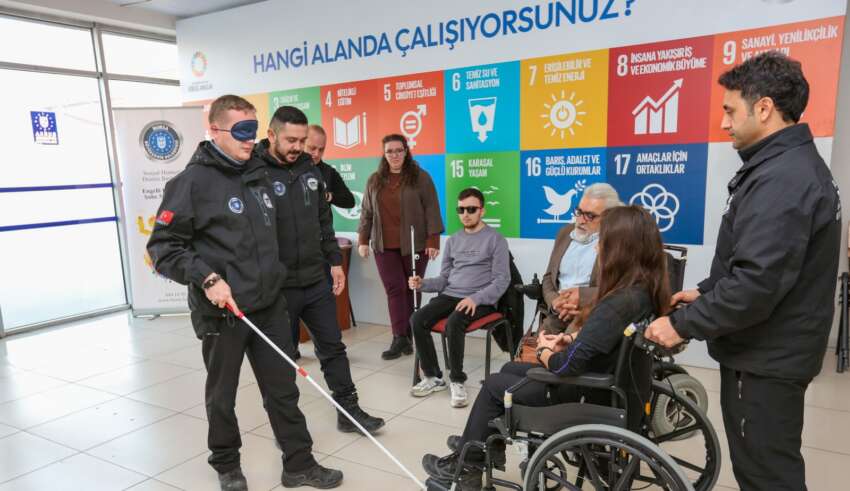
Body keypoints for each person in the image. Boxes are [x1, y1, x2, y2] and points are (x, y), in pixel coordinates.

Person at [645, 52, 841, 491]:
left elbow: (756, 285)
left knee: (766, 475)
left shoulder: (783, 179)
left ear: (764, 108)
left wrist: (681, 325)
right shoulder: (786, 167)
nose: (724, 122)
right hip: (772, 350)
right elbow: (763, 262)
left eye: (731, 110)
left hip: (766, 358)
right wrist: (707, 292)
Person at [146, 95, 342, 490]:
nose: (249, 139)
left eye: (253, 130)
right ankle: (227, 465)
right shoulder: (191, 184)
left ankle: (299, 464)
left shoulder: (259, 172)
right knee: (223, 395)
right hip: (224, 312)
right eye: (241, 131)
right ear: (215, 131)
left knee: (283, 391)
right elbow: (162, 248)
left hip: (268, 305)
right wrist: (207, 278)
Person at [422, 206, 671, 489]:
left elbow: (566, 365)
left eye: (603, 241)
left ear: (620, 250)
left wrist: (544, 351)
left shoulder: (617, 302)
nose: (597, 247)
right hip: (610, 384)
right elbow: (603, 340)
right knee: (509, 367)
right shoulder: (643, 292)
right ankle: (484, 443)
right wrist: (570, 340)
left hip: (582, 390)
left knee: (493, 386)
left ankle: (469, 468)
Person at [256, 106, 385, 434]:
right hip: (277, 286)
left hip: (314, 279)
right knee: (281, 360)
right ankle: (287, 430)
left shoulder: (311, 171)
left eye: (303, 141)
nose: (298, 148)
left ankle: (349, 412)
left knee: (333, 348)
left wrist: (334, 262)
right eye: (291, 140)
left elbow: (323, 222)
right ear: (271, 135)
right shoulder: (253, 171)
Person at [408, 188, 511, 408]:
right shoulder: (453, 240)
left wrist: (476, 298)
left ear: (482, 211)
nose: (466, 214)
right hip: (451, 294)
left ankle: (457, 380)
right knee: (417, 319)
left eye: (471, 209)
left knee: (454, 322)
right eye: (461, 210)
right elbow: (444, 279)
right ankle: (433, 377)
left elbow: (502, 280)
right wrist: (423, 284)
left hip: (480, 300)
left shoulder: (496, 239)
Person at [358, 134, 444, 360]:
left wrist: (433, 240)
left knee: (412, 288)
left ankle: (411, 334)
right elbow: (366, 212)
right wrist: (363, 240)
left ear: (406, 151)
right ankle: (399, 337)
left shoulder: (420, 177)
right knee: (394, 289)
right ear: (384, 154)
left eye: (399, 150)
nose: (394, 155)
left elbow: (432, 208)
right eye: (390, 151)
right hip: (383, 245)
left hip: (415, 244)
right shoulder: (374, 180)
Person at [540, 183, 622, 334]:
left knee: (567, 344)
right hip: (558, 314)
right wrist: (555, 302)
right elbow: (548, 278)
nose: (581, 220)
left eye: (590, 216)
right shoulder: (565, 233)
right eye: (579, 212)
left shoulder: (618, 241)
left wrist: (582, 297)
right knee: (539, 341)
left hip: (593, 315)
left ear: (609, 217)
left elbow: (622, 290)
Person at [305, 124, 355, 209]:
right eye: (312, 148)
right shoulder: (290, 169)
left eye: (321, 149)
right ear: (302, 143)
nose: (317, 154)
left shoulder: (329, 171)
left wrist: (328, 196)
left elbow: (349, 201)